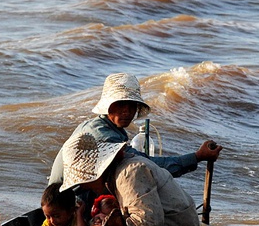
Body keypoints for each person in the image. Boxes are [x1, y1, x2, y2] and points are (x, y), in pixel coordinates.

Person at [48, 73, 222, 186]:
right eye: (121, 105)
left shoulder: (109, 129)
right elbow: (148, 166)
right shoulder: (102, 134)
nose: (127, 111)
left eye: (131, 106)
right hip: (68, 202)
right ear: (108, 106)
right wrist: (197, 157)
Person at [59, 132, 203, 226]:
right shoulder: (119, 173)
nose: (84, 186)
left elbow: (148, 223)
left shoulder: (129, 173)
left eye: (84, 182)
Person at [0, 182, 87, 226]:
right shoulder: (48, 224)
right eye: (47, 216)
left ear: (71, 211)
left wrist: (79, 214)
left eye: (57, 216)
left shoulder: (77, 221)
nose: (52, 220)